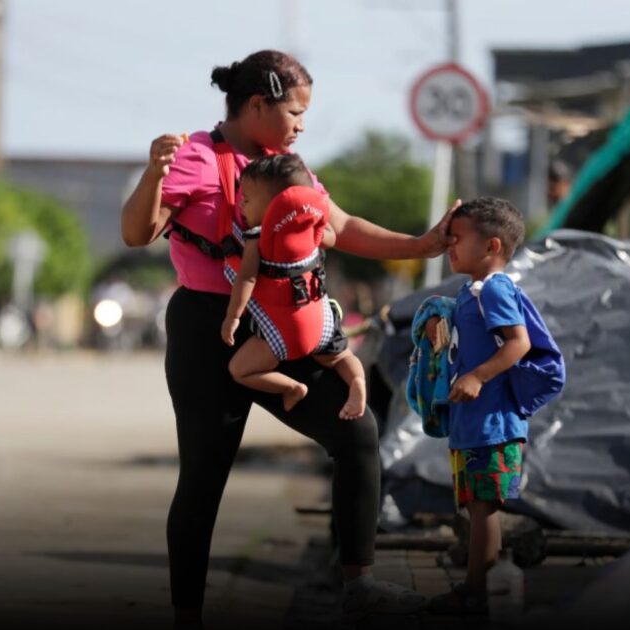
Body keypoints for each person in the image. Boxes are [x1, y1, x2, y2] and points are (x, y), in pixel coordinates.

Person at [120, 50, 457, 627]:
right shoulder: (195, 157)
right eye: (295, 111)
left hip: (282, 321)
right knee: (204, 477)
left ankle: (359, 586)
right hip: (208, 326)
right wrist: (154, 172)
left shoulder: (286, 164)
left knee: (357, 433)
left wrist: (423, 245)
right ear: (257, 105)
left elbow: (340, 225)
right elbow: (137, 232)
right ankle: (188, 614)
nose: (302, 124)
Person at [420, 197, 559, 615]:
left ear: (492, 246)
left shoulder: (495, 288)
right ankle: (474, 589)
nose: (450, 246)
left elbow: (519, 343)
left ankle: (476, 593)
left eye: (458, 239)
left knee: (483, 511)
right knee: (476, 508)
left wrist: (478, 376)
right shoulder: (471, 292)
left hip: (492, 424)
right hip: (472, 423)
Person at [220, 153, 366, 420]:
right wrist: (317, 227)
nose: (241, 204)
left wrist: (233, 317)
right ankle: (356, 381)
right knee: (341, 357)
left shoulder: (258, 237)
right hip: (322, 324)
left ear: (276, 206)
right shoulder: (311, 229)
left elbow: (248, 278)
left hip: (284, 334)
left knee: (239, 370)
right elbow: (330, 238)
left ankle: (291, 387)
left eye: (248, 199)